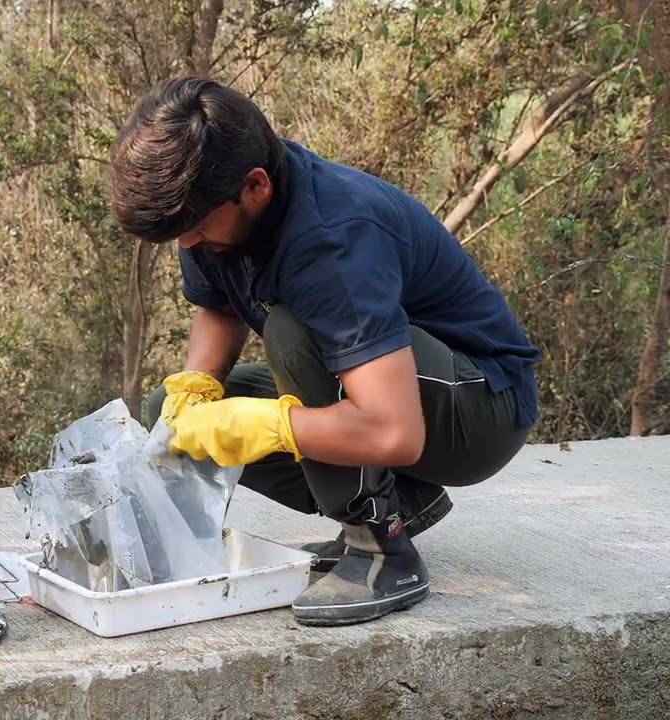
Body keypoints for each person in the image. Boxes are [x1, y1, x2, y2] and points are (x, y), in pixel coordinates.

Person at [112, 77, 540, 626]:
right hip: (406, 396)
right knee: (171, 418)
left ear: (256, 187)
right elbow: (219, 305)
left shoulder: (332, 239)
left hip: (480, 410)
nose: (187, 244)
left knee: (297, 333)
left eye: (192, 229)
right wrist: (198, 386)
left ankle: (381, 551)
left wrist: (273, 424)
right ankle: (402, 503)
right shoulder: (211, 212)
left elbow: (393, 432)